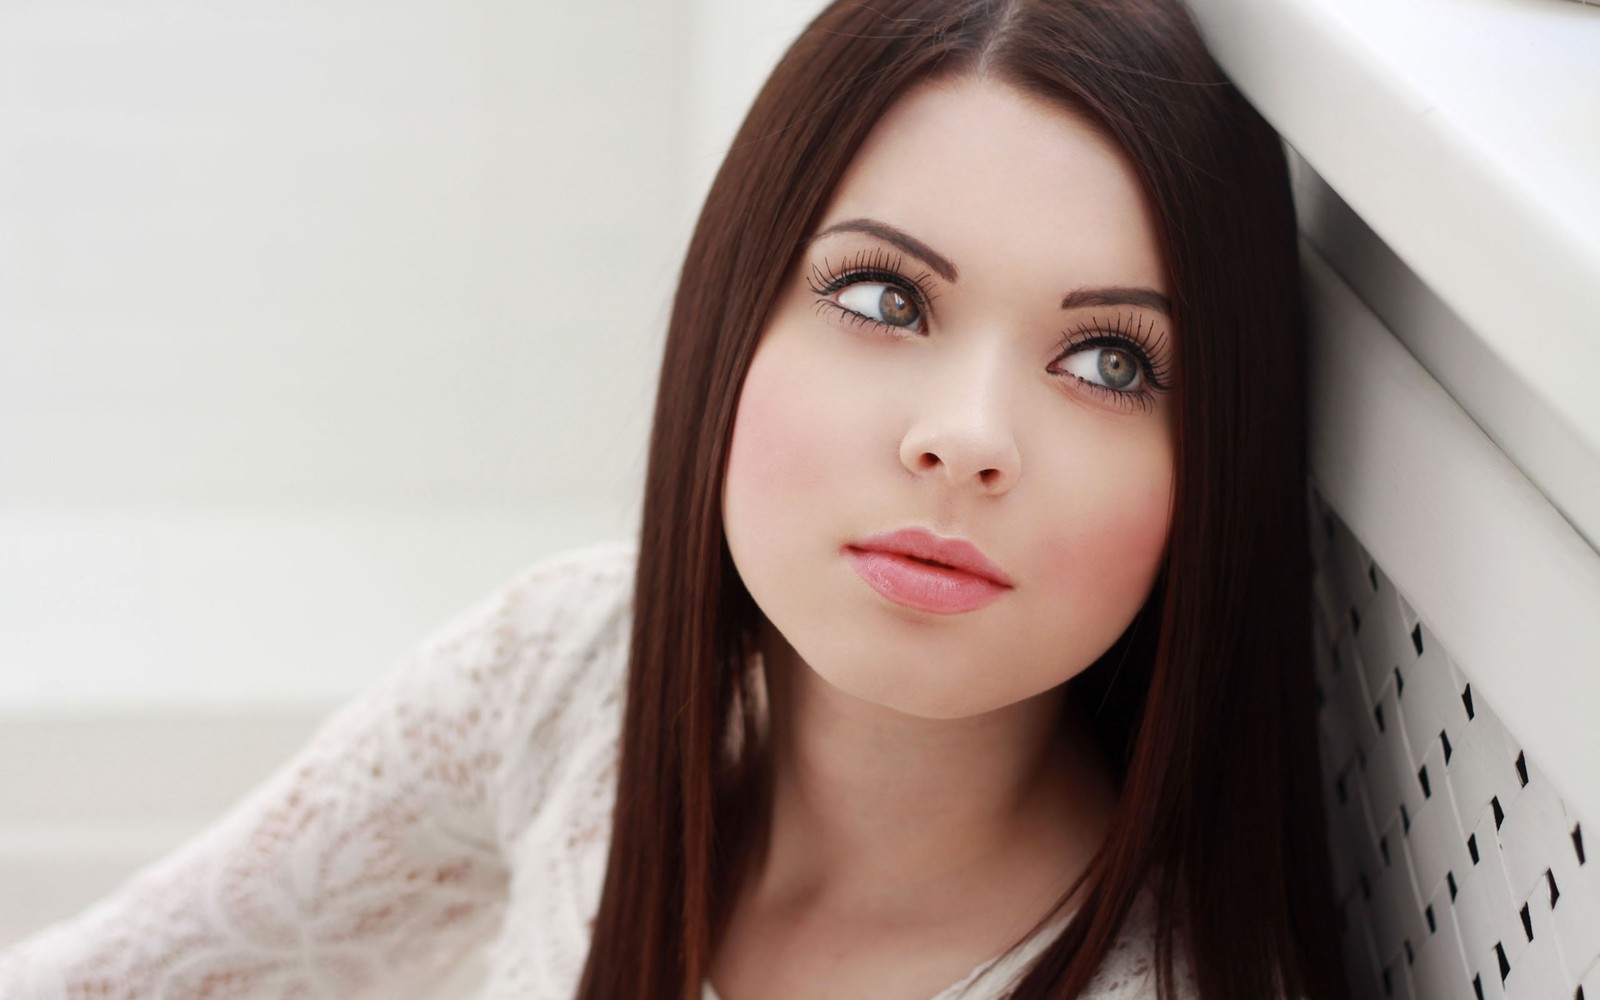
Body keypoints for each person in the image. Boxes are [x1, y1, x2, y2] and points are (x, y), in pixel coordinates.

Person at [0, 0, 1349, 997]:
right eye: (884, 298)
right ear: (733, 317)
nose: (965, 437)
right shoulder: (576, 669)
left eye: (1110, 360)